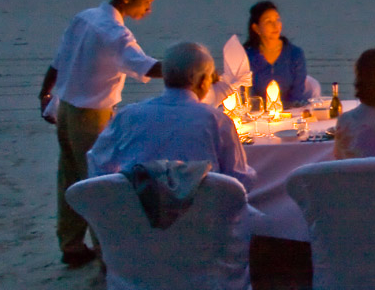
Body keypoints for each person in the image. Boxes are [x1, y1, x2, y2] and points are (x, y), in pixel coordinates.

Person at [38, 0, 163, 267]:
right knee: (98, 183)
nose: (149, 8)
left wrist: (44, 94)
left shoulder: (85, 17)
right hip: (91, 115)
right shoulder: (115, 33)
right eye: (146, 1)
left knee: (69, 177)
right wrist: (193, 68)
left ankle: (70, 244)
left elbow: (58, 60)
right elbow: (145, 66)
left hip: (65, 107)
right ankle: (107, 256)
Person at [87, 42, 254, 188]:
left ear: (165, 76)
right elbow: (239, 179)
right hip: (203, 219)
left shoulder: (128, 116)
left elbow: (98, 163)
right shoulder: (217, 121)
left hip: (139, 218)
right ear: (203, 81)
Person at [244, 0, 309, 107]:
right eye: (268, 21)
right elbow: (248, 95)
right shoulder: (247, 57)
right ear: (256, 28)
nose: (275, 25)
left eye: (277, 20)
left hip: (291, 112)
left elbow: (297, 93)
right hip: (259, 114)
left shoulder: (295, 54)